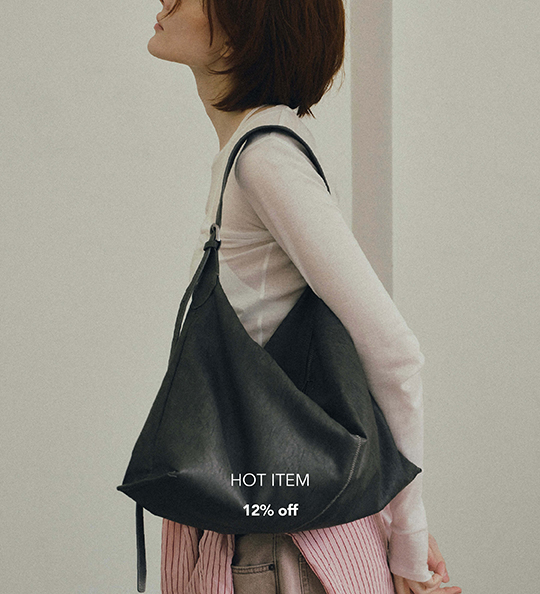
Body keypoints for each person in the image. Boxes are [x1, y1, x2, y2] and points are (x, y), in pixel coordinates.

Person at [147, 1, 462, 593]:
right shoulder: (249, 152)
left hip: (278, 543)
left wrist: (409, 541)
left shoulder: (264, 158)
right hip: (267, 522)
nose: (165, 0)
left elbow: (394, 352)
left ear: (239, 37)